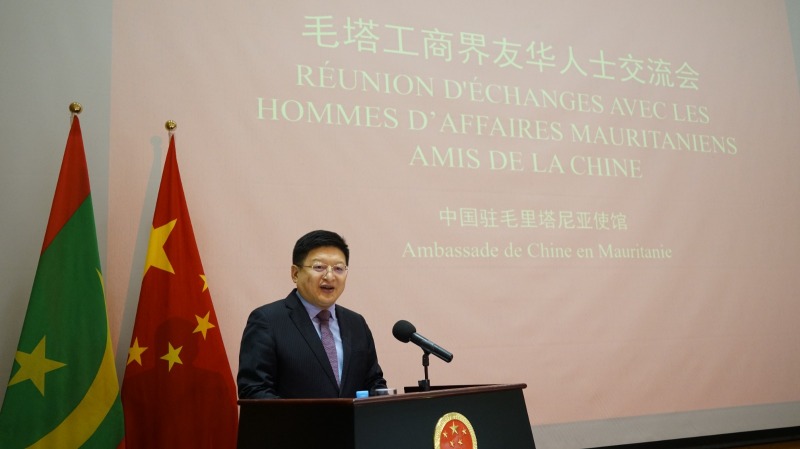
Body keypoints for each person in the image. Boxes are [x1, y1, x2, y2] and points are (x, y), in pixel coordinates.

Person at [238, 230, 387, 399]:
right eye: (319, 267)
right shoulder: (268, 321)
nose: (330, 276)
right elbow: (254, 390)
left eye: (338, 268)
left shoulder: (356, 323)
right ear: (295, 273)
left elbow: (374, 382)